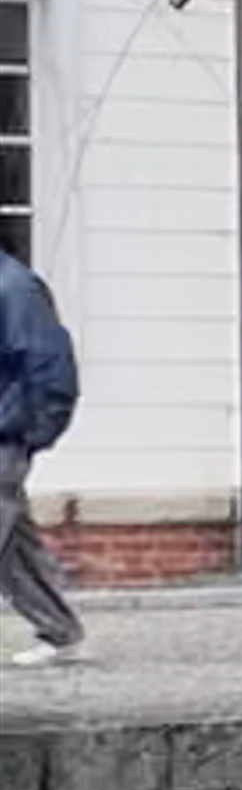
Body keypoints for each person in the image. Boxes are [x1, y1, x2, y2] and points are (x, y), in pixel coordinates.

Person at [0, 238, 86, 659]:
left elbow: (49, 368)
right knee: (15, 547)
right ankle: (59, 630)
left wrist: (29, 432)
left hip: (4, 434)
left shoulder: (15, 289)